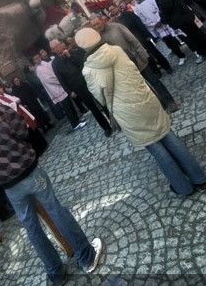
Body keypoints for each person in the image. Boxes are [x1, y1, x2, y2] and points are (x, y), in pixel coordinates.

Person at [0, 80, 104, 286]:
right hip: (26, 170)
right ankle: (86, 256)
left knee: (31, 228)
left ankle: (56, 273)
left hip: (8, 184)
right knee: (56, 211)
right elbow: (22, 129)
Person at [75, 29, 206, 196]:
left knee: (155, 148)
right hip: (145, 98)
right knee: (168, 135)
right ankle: (199, 177)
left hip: (127, 113)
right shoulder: (117, 50)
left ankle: (182, 187)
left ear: (81, 46)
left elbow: (100, 98)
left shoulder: (88, 70)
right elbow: (135, 69)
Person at [49, 39, 112, 136]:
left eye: (58, 45)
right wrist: (69, 91)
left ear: (61, 44)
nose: (57, 48)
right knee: (93, 108)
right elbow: (60, 79)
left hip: (88, 80)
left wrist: (70, 56)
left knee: (102, 101)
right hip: (77, 87)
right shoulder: (55, 63)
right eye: (54, 48)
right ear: (53, 50)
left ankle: (113, 121)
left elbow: (83, 62)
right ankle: (106, 128)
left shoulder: (72, 51)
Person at [141, 0, 206, 62]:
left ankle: (202, 52)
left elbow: (166, 3)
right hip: (181, 15)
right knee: (195, 34)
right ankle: (202, 51)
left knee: (194, 35)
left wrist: (163, 18)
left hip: (180, 16)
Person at [109, 3, 173, 74]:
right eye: (110, 10)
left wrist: (147, 35)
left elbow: (139, 24)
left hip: (141, 37)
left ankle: (167, 67)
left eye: (113, 9)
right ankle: (156, 72)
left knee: (154, 52)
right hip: (132, 43)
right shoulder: (115, 22)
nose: (112, 11)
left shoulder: (128, 14)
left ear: (117, 7)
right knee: (145, 57)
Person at [129, 0, 187, 65]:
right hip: (156, 26)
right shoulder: (137, 7)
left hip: (164, 20)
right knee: (169, 42)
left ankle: (194, 49)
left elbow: (159, 6)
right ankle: (181, 56)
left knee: (179, 33)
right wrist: (153, 24)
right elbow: (143, 19)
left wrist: (161, 18)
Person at [32, 53, 87, 133]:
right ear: (34, 61)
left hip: (60, 86)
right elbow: (49, 79)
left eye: (38, 57)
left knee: (70, 105)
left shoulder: (44, 63)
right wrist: (61, 81)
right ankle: (75, 124)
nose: (38, 59)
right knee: (67, 108)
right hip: (56, 88)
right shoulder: (39, 70)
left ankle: (77, 119)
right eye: (36, 58)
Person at [0, 82, 48, 158]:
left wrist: (15, 102)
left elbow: (16, 98)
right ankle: (38, 150)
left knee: (32, 128)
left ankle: (42, 145)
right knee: (27, 132)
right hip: (16, 117)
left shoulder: (4, 95)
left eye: (0, 87)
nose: (1, 89)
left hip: (21, 112)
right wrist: (15, 103)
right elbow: (7, 107)